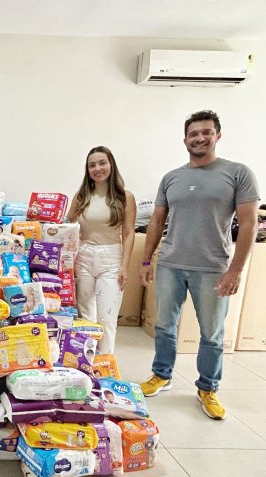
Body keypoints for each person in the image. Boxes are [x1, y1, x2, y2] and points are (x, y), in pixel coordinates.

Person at [139, 110, 259, 421]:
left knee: (212, 333)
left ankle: (208, 388)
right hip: (170, 264)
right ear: (185, 140)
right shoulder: (172, 178)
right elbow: (156, 221)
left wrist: (235, 270)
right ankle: (161, 375)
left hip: (213, 268)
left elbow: (248, 224)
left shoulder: (237, 173)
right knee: (165, 326)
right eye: (194, 134)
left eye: (206, 132)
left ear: (218, 135)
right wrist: (146, 260)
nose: (200, 138)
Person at [66, 146, 136, 355]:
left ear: (111, 164)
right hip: (84, 255)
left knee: (107, 317)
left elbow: (129, 233)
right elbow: (67, 223)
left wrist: (125, 266)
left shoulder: (125, 197)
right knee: (85, 315)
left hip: (111, 257)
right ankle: (85, 362)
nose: (98, 168)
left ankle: (105, 362)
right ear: (87, 170)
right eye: (92, 165)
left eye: (102, 163)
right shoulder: (82, 196)